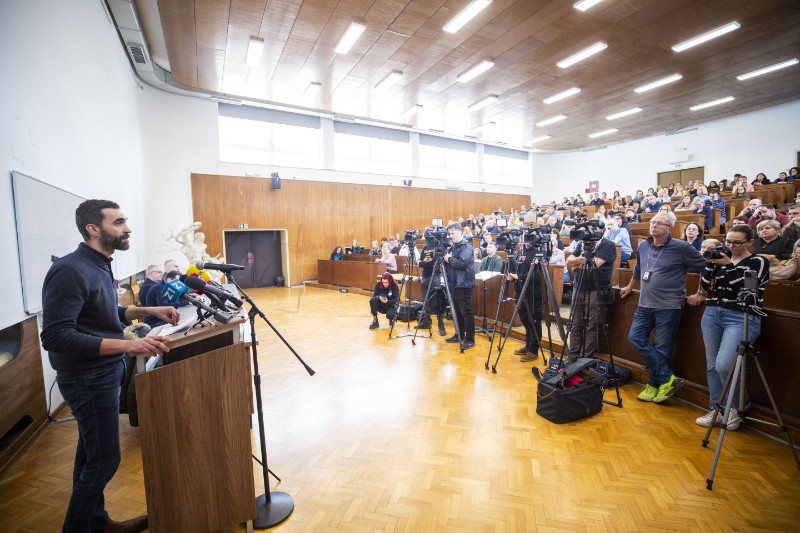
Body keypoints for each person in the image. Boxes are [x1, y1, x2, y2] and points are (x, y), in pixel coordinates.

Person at [41, 200, 179, 533]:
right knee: (104, 460)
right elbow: (56, 336)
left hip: (105, 371)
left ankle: (97, 523)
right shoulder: (69, 270)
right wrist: (131, 344)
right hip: (87, 378)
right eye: (118, 222)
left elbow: (105, 316)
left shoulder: (100, 264)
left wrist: (149, 310)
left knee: (90, 455)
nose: (127, 228)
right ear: (93, 229)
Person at [687, 224, 769, 430]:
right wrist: (710, 264)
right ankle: (717, 409)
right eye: (728, 242)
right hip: (713, 312)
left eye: (736, 243)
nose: (731, 246)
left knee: (725, 364)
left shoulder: (758, 261)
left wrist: (729, 265)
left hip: (741, 316)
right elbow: (705, 287)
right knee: (712, 365)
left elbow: (747, 287)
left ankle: (737, 407)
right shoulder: (719, 259)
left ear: (750, 242)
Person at [620, 212, 706, 403]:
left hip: (669, 305)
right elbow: (638, 268)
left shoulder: (682, 247)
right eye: (652, 222)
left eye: (660, 223)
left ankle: (654, 385)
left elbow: (705, 267)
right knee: (635, 337)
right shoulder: (643, 245)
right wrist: (630, 286)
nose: (654, 225)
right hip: (644, 304)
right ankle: (667, 378)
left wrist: (702, 292)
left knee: (662, 347)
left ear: (670, 228)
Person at [565, 236, 616, 362]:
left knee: (591, 326)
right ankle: (572, 359)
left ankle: (585, 361)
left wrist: (576, 264)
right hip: (579, 288)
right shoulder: (582, 243)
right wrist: (580, 260)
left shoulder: (607, 244)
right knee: (575, 325)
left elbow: (593, 265)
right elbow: (568, 261)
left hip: (596, 290)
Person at [507, 239, 544, 362]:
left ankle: (534, 350)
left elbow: (538, 275)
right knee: (525, 321)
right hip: (519, 291)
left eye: (530, 238)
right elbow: (515, 269)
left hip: (533, 293)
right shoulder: (520, 251)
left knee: (533, 321)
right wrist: (511, 276)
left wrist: (520, 277)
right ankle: (528, 345)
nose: (527, 240)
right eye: (525, 238)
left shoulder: (539, 253)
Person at [443, 222, 476, 349]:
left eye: (453, 233)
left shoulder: (466, 246)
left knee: (466, 312)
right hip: (454, 284)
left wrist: (449, 259)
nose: (450, 236)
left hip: (464, 284)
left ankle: (470, 339)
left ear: (459, 232)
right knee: (456, 311)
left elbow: (462, 263)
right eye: (449, 234)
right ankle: (459, 334)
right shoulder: (454, 247)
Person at [418, 239, 447, 336]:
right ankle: (426, 322)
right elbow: (420, 263)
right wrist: (425, 262)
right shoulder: (425, 248)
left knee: (438, 301)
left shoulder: (437, 249)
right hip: (424, 276)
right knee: (425, 300)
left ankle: (441, 325)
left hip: (435, 277)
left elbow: (434, 264)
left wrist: (425, 262)